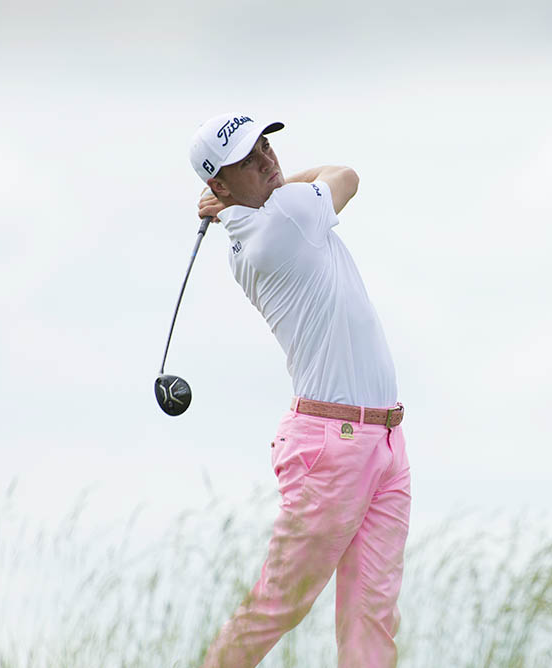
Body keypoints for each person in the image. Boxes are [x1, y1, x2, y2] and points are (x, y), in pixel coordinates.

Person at [187, 112, 411, 668]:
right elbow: (347, 174)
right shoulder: (284, 218)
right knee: (278, 604)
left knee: (372, 619)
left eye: (265, 146)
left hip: (382, 438)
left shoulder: (260, 222)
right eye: (248, 159)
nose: (268, 160)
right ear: (218, 184)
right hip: (331, 445)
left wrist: (240, 199)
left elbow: (315, 183)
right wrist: (271, 191)